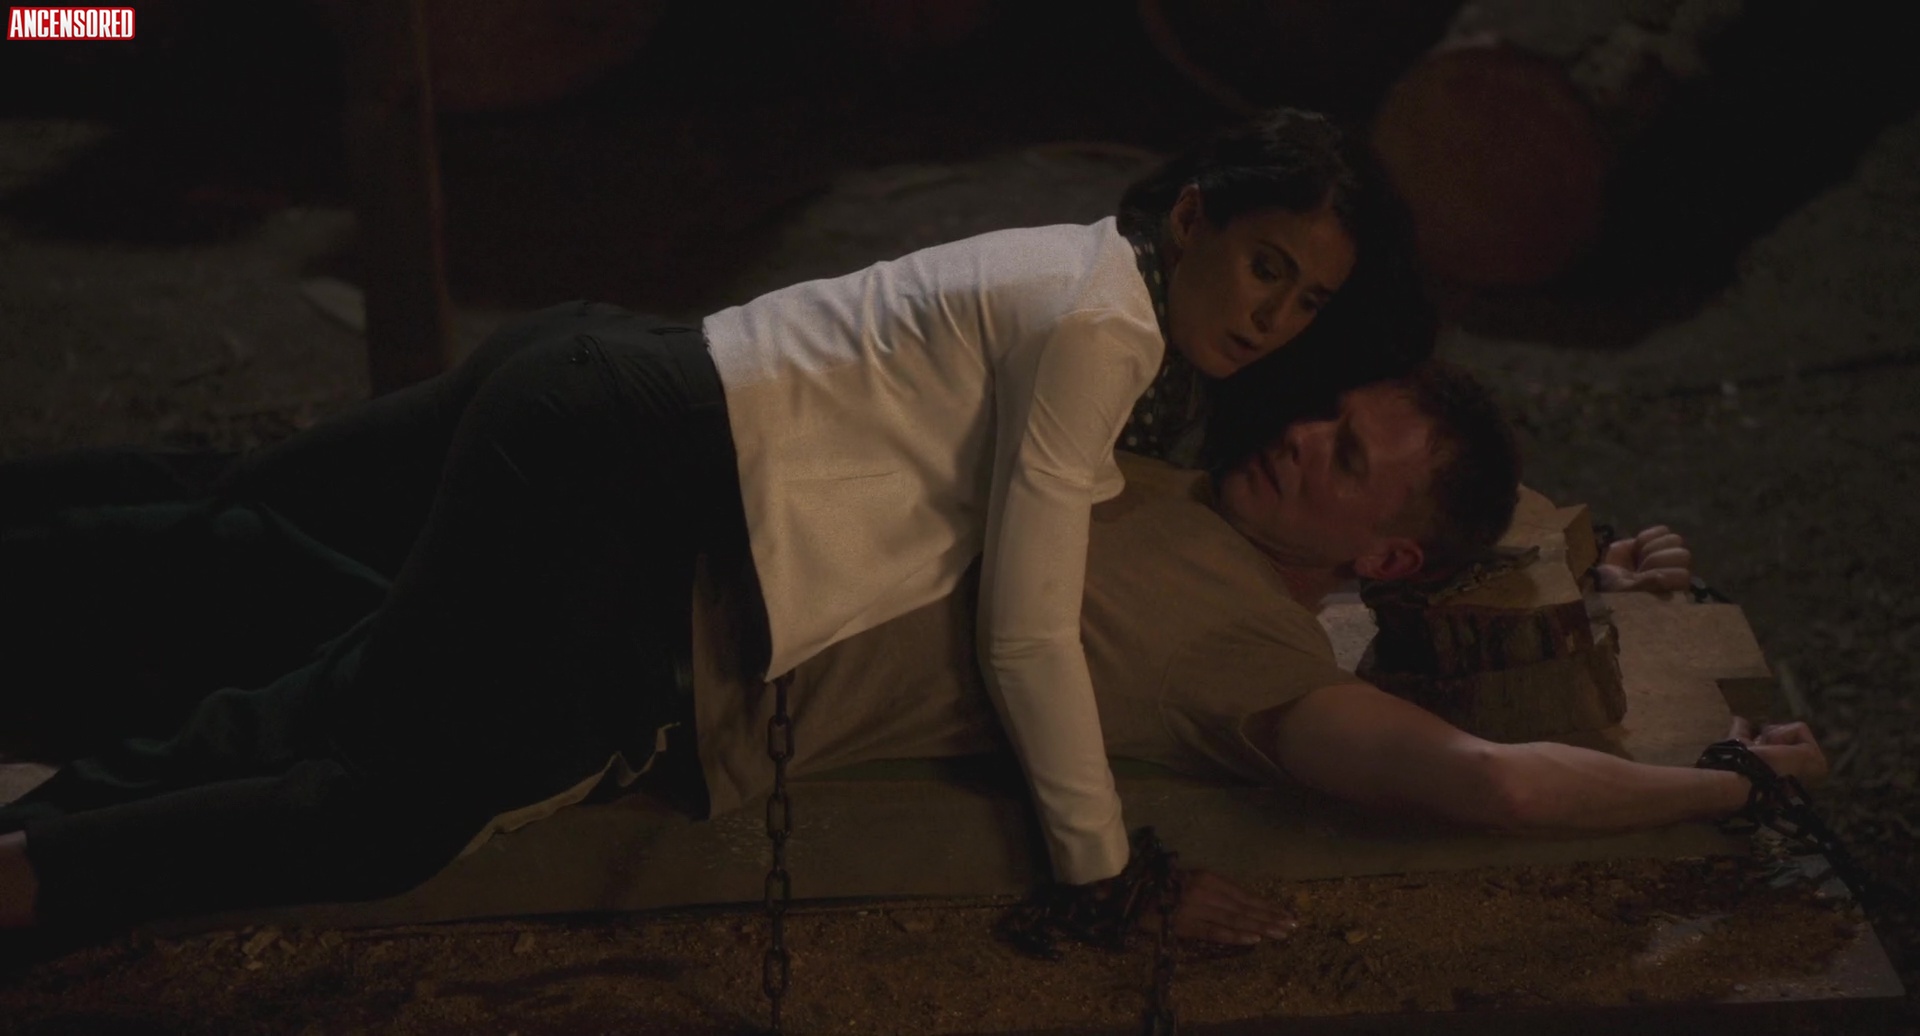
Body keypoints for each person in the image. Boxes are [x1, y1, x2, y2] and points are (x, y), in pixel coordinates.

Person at [0, 106, 1406, 930]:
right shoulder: (1101, 328)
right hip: (616, 449)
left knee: (245, 527)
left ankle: (42, 835)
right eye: (1264, 268)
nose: (1272, 317)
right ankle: (37, 876)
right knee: (393, 803)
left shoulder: (1080, 275)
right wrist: (1099, 870)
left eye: (1306, 302)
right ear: (1195, 219)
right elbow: (1026, 634)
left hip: (596, 372)